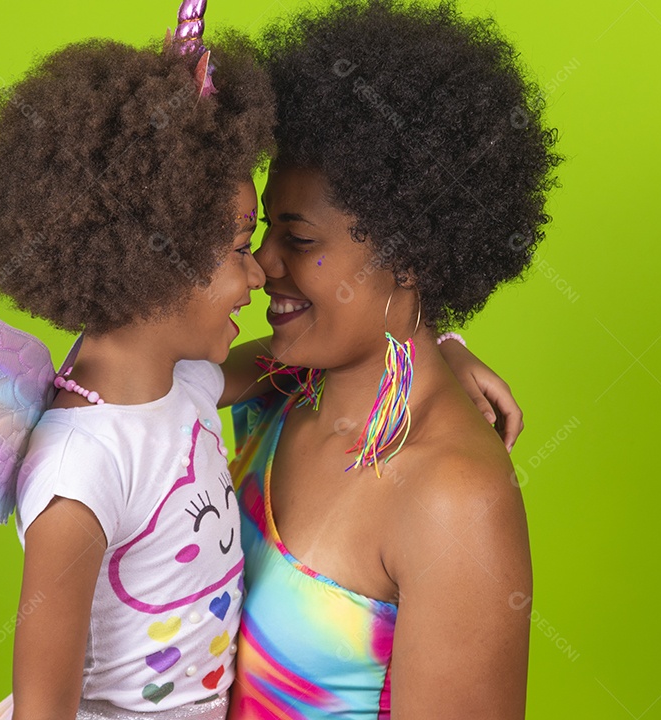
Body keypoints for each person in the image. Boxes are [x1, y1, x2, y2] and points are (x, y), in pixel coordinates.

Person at [226, 0, 561, 717]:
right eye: (262, 233)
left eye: (299, 240)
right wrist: (442, 344)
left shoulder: (454, 500)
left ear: (408, 254)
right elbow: (136, 372)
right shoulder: (281, 388)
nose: (260, 266)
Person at [0, 3, 275, 717]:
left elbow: (297, 362)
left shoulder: (188, 385)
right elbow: (45, 708)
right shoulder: (81, 471)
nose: (258, 275)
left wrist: (437, 353)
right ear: (156, 261)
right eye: (239, 248)